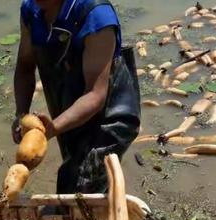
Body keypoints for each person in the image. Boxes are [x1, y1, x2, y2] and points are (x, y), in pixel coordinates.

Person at [12, 0, 141, 194]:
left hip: (109, 114)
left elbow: (95, 94)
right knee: (75, 168)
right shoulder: (32, 10)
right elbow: (25, 66)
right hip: (67, 107)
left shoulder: (96, 15)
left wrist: (54, 128)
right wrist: (20, 113)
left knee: (81, 187)